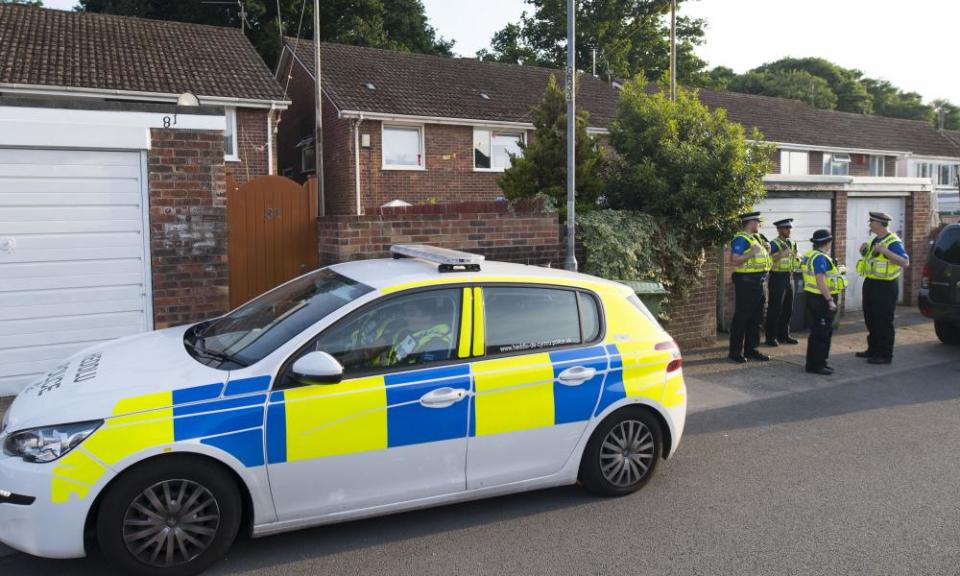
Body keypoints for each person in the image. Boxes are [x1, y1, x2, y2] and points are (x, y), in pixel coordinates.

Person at [856, 211, 910, 365]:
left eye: (871, 222)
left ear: (879, 224)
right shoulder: (874, 240)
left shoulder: (893, 242)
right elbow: (873, 260)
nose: (869, 224)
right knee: (870, 318)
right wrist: (864, 252)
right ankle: (872, 349)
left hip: (885, 286)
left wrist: (886, 251)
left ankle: (885, 354)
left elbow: (905, 262)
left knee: (883, 321)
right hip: (871, 283)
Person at [729, 212, 772, 363]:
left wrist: (767, 250)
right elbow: (734, 260)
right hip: (746, 283)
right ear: (751, 223)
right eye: (757, 222)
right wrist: (752, 253)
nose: (759, 224)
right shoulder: (741, 239)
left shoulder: (756, 238)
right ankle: (735, 352)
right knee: (742, 318)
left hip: (759, 283)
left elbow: (761, 259)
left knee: (756, 318)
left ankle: (752, 350)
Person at [803, 229, 847, 375]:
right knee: (821, 334)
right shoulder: (820, 258)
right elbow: (820, 279)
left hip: (813, 298)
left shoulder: (811, 255)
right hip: (821, 300)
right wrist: (829, 300)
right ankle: (817, 365)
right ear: (827, 242)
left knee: (818, 333)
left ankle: (817, 363)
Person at [765, 218, 801, 347]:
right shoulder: (773, 244)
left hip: (789, 277)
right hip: (777, 277)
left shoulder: (792, 243)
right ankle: (771, 337)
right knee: (775, 308)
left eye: (790, 228)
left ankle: (784, 335)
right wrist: (781, 254)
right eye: (786, 228)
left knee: (788, 308)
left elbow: (796, 257)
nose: (789, 230)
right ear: (779, 230)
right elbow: (767, 259)